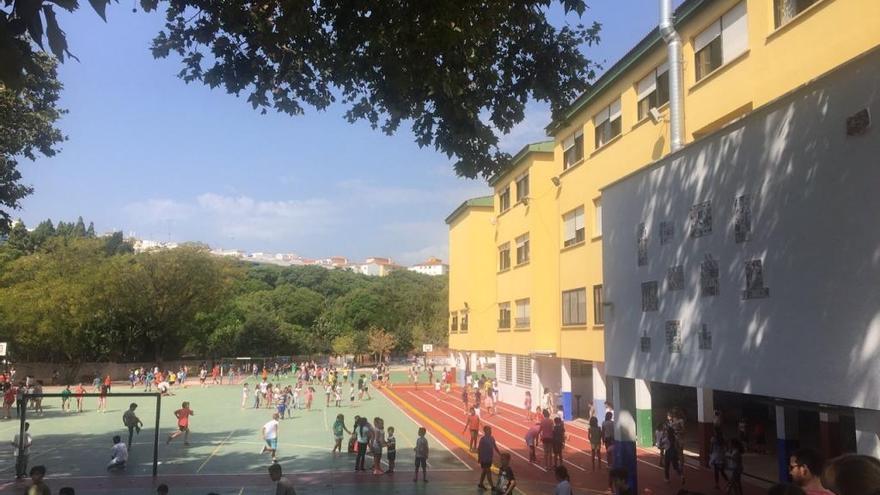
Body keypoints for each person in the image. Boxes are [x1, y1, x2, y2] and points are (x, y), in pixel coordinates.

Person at [477, 425, 501, 490]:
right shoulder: (483, 439)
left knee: (484, 471)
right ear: (485, 431)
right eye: (489, 430)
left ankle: (480, 483)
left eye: (490, 430)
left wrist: (500, 454)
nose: (490, 431)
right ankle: (492, 486)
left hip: (489, 458)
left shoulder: (492, 438)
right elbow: (479, 449)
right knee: (488, 471)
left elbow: (495, 447)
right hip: (484, 459)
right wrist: (479, 458)